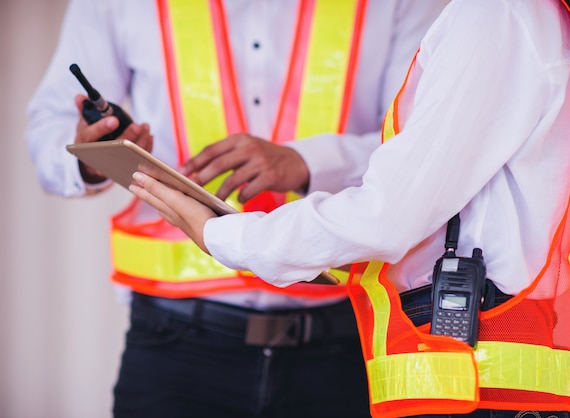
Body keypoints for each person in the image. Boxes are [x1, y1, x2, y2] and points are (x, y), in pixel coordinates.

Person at [128, 0, 570, 417]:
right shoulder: (527, 14)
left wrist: (223, 235)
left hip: (474, 392)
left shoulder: (496, 14)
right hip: (488, 387)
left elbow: (387, 217)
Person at [25, 0, 448, 417]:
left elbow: (425, 144)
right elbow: (50, 126)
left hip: (347, 339)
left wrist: (308, 161)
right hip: (174, 347)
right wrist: (92, 158)